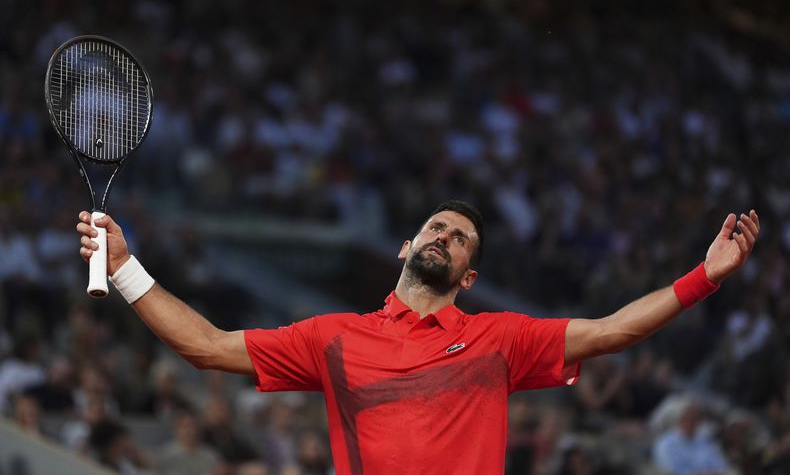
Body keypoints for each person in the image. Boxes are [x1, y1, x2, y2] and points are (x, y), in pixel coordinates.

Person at [76, 200, 760, 475]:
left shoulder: (501, 338)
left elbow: (612, 330)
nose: (446, 236)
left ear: (469, 275)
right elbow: (208, 345)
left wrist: (705, 276)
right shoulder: (332, 336)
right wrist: (125, 268)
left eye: (461, 238)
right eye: (437, 226)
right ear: (408, 245)